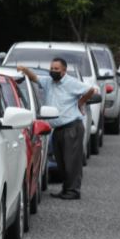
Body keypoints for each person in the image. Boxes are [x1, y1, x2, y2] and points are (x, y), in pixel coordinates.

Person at [17, 58, 95, 200]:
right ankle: (66, 189)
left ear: (64, 71)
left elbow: (91, 90)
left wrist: (81, 102)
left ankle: (73, 191)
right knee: (62, 162)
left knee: (72, 162)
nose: (53, 71)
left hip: (71, 128)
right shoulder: (48, 82)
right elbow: (34, 77)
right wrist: (25, 69)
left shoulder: (71, 83)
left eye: (56, 69)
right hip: (57, 129)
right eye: (52, 68)